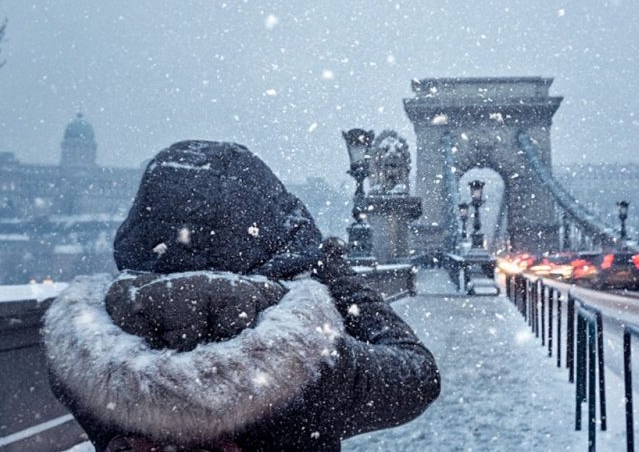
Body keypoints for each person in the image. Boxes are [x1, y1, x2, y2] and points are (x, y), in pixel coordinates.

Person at [43, 140, 440, 451]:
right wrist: (334, 276)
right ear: (268, 231)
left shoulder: (81, 361)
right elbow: (419, 374)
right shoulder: (310, 365)